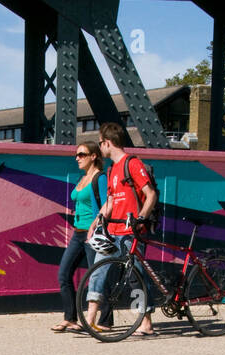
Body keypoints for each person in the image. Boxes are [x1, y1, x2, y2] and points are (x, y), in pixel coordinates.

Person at [84, 122, 159, 337]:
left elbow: (150, 194)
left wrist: (140, 219)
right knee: (98, 271)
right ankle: (89, 319)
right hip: (112, 231)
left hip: (130, 233)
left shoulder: (132, 164)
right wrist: (95, 223)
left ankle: (146, 323)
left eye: (101, 143)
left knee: (136, 276)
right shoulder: (112, 169)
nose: (100, 148)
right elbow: (110, 202)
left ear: (108, 142)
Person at [51, 142, 107, 332]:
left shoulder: (100, 178)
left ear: (93, 156)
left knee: (96, 276)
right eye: (77, 155)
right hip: (78, 233)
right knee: (64, 274)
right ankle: (70, 318)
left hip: (93, 234)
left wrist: (96, 227)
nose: (77, 158)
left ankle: (105, 320)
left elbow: (106, 206)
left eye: (82, 154)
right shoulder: (82, 178)